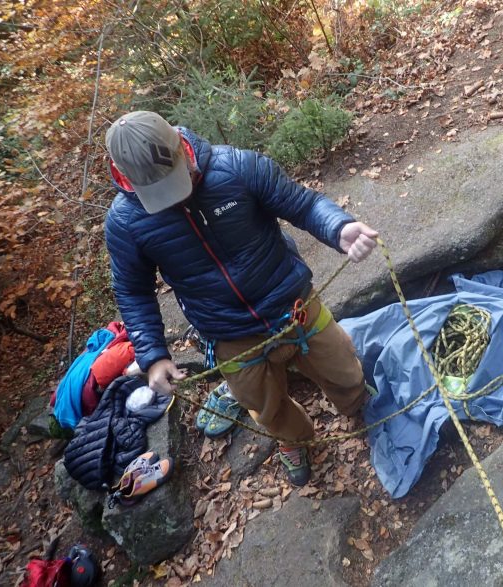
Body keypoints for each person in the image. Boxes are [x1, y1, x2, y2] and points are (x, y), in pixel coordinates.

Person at [103, 111, 378, 486]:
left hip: (292, 303)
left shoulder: (237, 167)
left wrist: (338, 227)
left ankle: (358, 406)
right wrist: (152, 357)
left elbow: (302, 203)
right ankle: (294, 439)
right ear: (124, 174)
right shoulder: (125, 222)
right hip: (228, 332)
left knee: (344, 368)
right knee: (266, 408)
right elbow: (133, 291)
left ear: (180, 148)